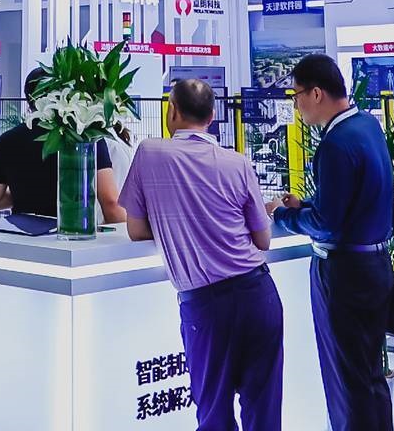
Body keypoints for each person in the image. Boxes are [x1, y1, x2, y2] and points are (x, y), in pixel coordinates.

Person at [120, 78, 283, 431]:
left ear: (172, 111)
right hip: (259, 294)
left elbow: (136, 229)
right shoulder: (237, 162)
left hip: (206, 306)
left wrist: (178, 225)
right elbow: (263, 240)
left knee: (213, 415)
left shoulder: (149, 153)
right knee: (264, 411)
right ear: (211, 117)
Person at [271, 54, 394, 431]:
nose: (296, 105)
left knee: (347, 380)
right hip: (375, 265)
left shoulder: (336, 143)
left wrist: (282, 215)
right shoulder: (366, 126)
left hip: (345, 275)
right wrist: (308, 205)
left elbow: (327, 225)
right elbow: (356, 199)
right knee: (370, 375)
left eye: (297, 96)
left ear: (316, 93)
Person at [0, 68, 127, 224]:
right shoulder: (86, 136)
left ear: (29, 100)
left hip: (23, 230)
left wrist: (23, 193)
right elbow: (110, 202)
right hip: (73, 230)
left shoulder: (8, 140)